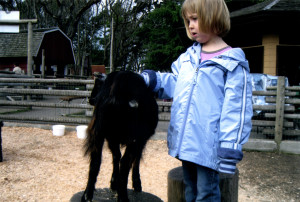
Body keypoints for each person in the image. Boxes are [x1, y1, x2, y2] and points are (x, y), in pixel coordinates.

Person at [141, 0, 253, 201]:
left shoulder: (232, 62)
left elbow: (237, 107)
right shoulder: (188, 57)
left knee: (206, 193)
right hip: (187, 143)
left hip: (209, 145)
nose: (190, 25)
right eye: (188, 20)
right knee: (190, 190)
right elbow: (177, 81)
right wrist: (155, 80)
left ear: (214, 18)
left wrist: (230, 145)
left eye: (195, 18)